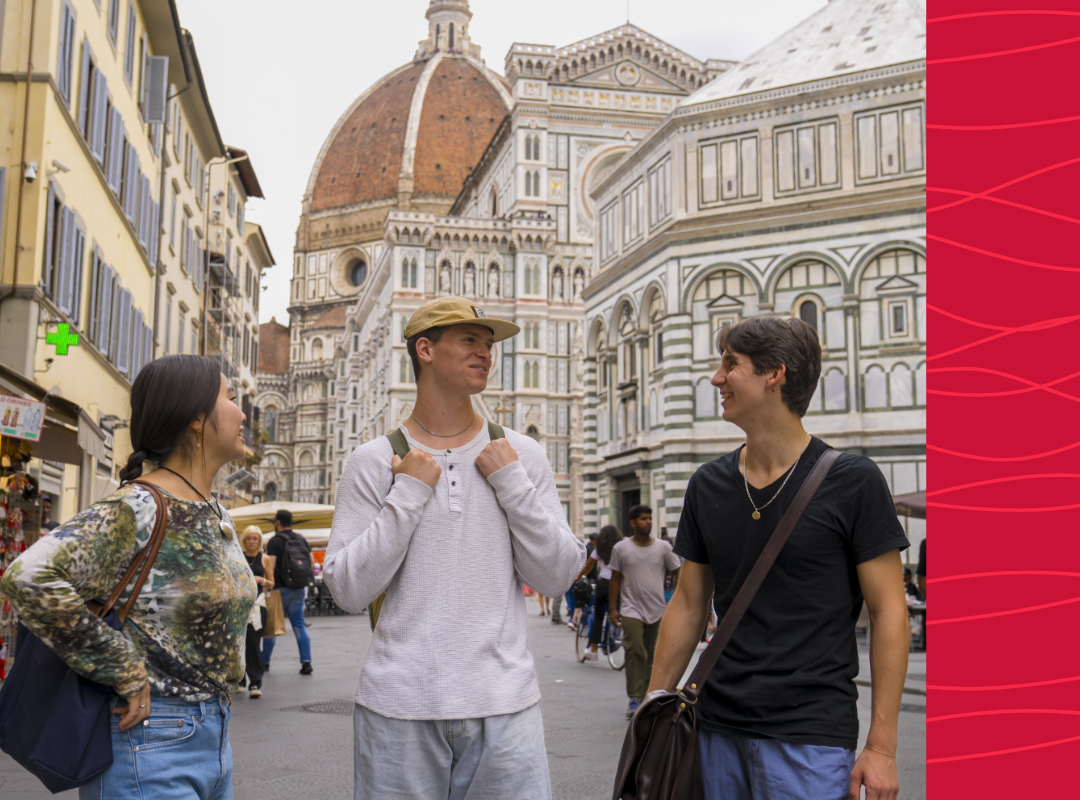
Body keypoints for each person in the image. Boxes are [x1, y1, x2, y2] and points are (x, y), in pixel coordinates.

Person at [324, 297, 585, 800]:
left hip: (506, 706)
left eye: (488, 345)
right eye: (469, 340)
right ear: (425, 349)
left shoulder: (519, 455)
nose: (485, 353)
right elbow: (348, 590)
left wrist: (511, 483)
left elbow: (556, 576)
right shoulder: (374, 462)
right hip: (398, 707)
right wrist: (410, 493)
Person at [648, 315, 910, 800]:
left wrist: (883, 746)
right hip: (715, 725)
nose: (716, 378)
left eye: (731, 364)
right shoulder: (708, 485)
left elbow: (889, 611)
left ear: (775, 375)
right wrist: (653, 707)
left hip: (809, 734)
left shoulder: (853, 481)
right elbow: (687, 605)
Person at [1, 355, 256, 799]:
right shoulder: (139, 506)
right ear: (196, 419)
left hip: (213, 739)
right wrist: (124, 669)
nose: (243, 412)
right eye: (230, 398)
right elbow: (29, 576)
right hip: (149, 743)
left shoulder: (214, 510)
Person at [609, 505, 681, 718]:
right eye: (643, 519)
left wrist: (675, 598)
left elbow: (677, 570)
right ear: (633, 523)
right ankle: (634, 697)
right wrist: (613, 608)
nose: (648, 522)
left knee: (653, 654)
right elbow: (615, 579)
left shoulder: (663, 547)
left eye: (650, 518)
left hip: (657, 609)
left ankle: (650, 695)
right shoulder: (621, 548)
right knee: (635, 650)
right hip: (631, 609)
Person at [262, 509, 313, 675]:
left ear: (277, 522)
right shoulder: (301, 539)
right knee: (299, 625)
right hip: (298, 588)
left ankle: (265, 662)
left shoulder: (274, 541)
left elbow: (272, 566)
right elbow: (311, 562)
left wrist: (265, 584)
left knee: (272, 626)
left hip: (279, 589)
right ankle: (306, 662)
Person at [576, 524, 622, 662]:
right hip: (618, 584)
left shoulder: (599, 550)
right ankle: (613, 638)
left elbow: (588, 567)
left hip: (604, 584)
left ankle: (594, 650)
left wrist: (578, 578)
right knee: (616, 612)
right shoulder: (621, 548)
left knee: (598, 616)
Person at [239, 525, 273, 698]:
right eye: (249, 538)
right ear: (244, 540)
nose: (252, 541)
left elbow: (272, 583)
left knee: (253, 642)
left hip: (258, 605)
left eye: (255, 538)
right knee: (238, 642)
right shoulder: (238, 556)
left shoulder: (264, 558)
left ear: (259, 541)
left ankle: (255, 682)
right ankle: (239, 679)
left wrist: (262, 580)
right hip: (239, 604)